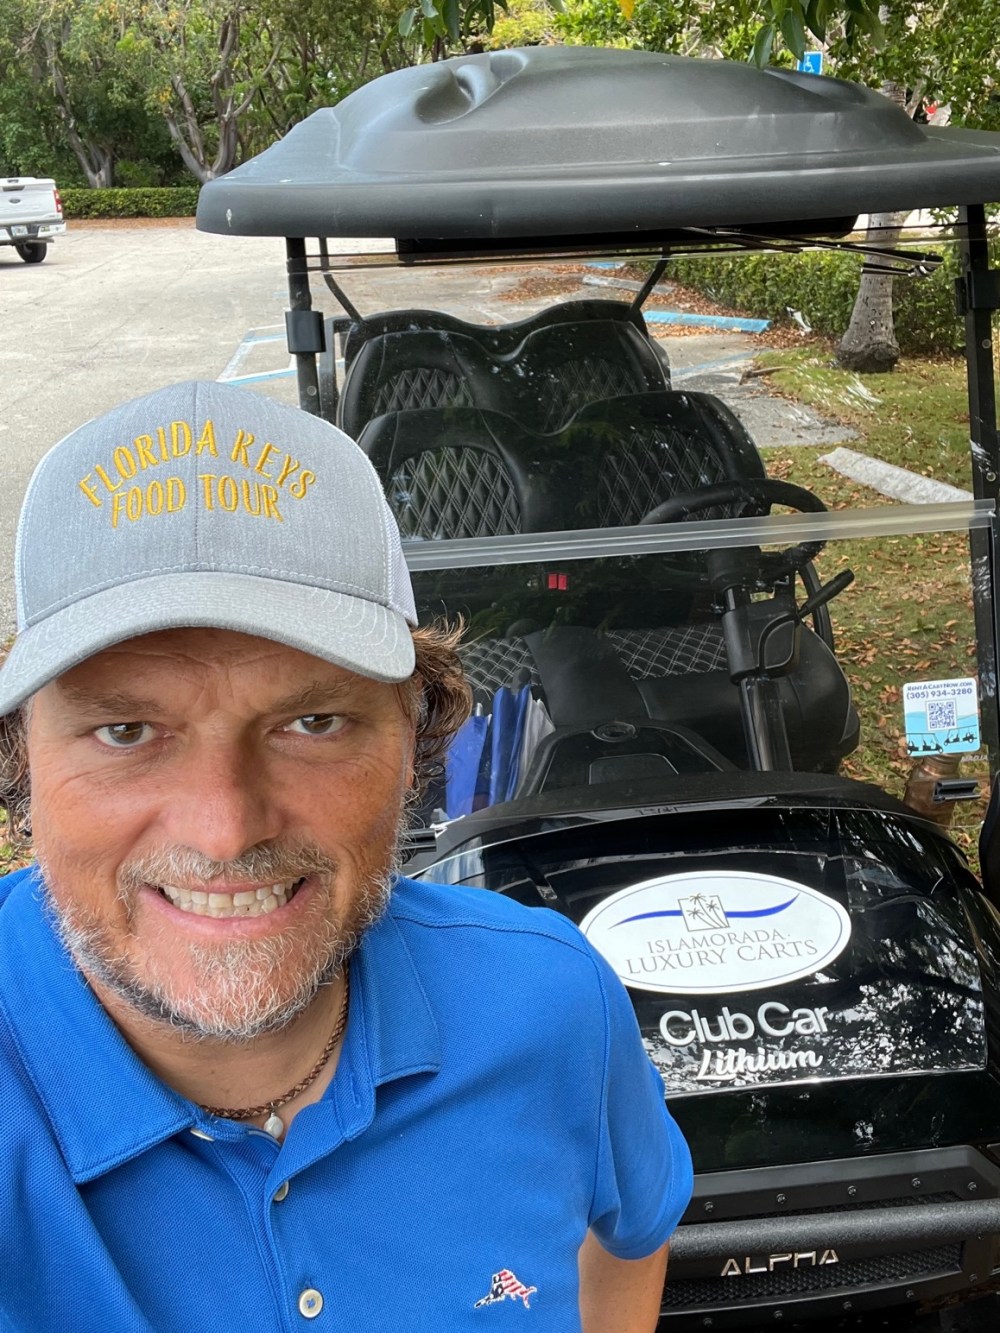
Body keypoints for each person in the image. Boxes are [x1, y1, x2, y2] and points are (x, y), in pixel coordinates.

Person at [0, 381, 692, 1333]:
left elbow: (629, 1240)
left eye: (313, 721)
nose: (224, 830)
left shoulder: (551, 1001)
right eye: (126, 730)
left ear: (416, 737)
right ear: (23, 760)